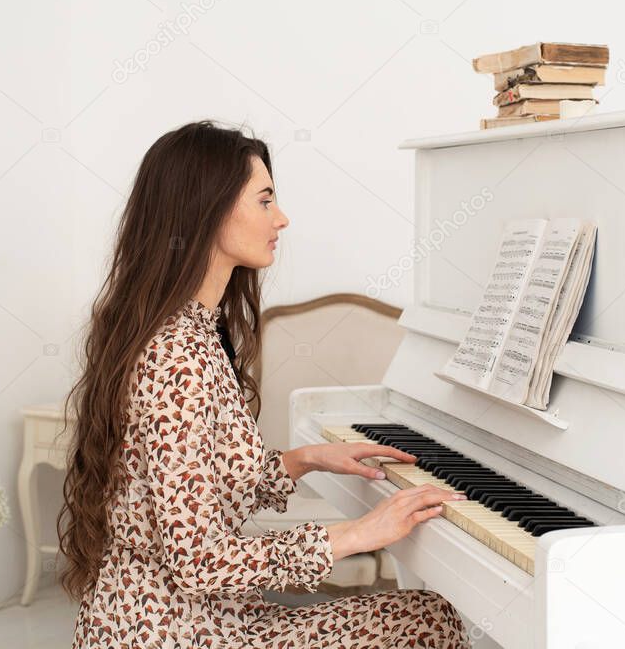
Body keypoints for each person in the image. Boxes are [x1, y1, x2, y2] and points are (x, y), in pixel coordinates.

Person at [57, 121, 471, 647]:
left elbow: (200, 485)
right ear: (205, 210)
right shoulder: (176, 357)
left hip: (198, 619)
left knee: (427, 617)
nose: (281, 218)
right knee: (427, 624)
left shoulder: (195, 331)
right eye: (265, 200)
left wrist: (304, 460)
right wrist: (356, 535)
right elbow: (200, 560)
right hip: (174, 632)